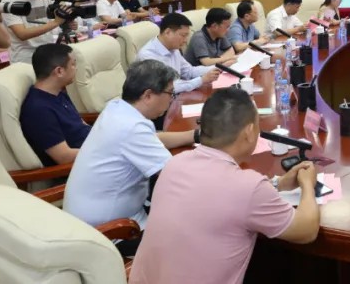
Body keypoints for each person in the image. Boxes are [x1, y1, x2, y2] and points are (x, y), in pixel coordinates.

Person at [127, 88, 320, 283]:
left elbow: (217, 197)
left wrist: (278, 183)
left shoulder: (175, 163)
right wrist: (307, 185)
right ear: (249, 132)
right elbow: (307, 230)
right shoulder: (248, 188)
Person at [63, 60, 196, 254]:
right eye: (170, 93)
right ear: (148, 95)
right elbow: (178, 176)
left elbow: (152, 140)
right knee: (195, 229)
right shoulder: (132, 128)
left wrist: (194, 135)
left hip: (89, 217)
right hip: (111, 232)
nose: (171, 99)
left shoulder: (117, 108)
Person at [19, 44, 90, 167]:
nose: (76, 69)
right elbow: (64, 157)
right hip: (82, 165)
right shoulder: (38, 110)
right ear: (59, 71)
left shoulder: (58, 93)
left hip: (93, 149)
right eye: (73, 64)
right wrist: (102, 149)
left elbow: (81, 124)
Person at [0, 0, 70, 64]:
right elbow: (22, 34)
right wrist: (55, 23)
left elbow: (52, 18)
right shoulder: (10, 1)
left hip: (47, 53)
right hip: (25, 58)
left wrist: (66, 22)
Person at [137, 13, 220, 93]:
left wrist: (217, 68)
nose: (185, 40)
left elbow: (189, 71)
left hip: (175, 96)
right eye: (183, 35)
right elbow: (167, 87)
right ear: (168, 32)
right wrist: (201, 80)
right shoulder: (148, 56)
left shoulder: (173, 48)